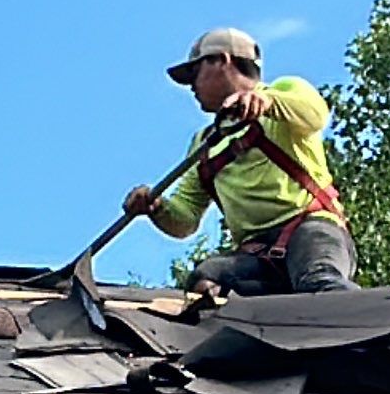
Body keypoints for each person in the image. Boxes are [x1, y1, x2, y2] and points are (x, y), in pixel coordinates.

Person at [123, 28, 358, 298]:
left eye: (194, 74)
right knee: (205, 282)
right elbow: (186, 218)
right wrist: (157, 207)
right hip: (256, 257)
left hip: (309, 229)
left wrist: (266, 101)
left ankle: (385, 331)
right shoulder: (205, 143)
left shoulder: (283, 95)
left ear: (222, 61)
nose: (191, 87)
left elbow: (314, 114)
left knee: (318, 282)